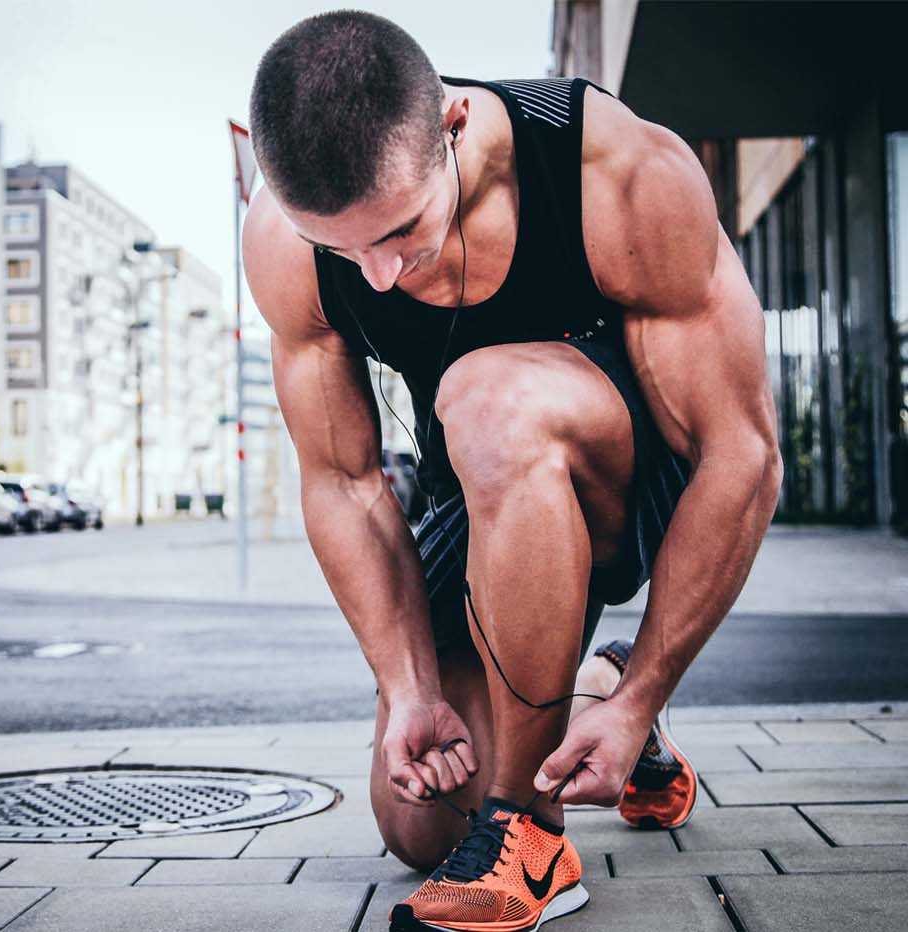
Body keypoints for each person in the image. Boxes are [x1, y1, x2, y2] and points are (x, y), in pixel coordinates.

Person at [242, 11, 782, 931]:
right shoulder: (285, 238)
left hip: (628, 478)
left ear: (453, 126)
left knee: (487, 396)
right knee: (418, 818)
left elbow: (743, 454)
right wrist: (408, 686)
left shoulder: (612, 169)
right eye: (344, 250)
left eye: (402, 229)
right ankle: (594, 698)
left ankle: (531, 838)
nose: (375, 276)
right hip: (480, 490)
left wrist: (659, 678)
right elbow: (344, 481)